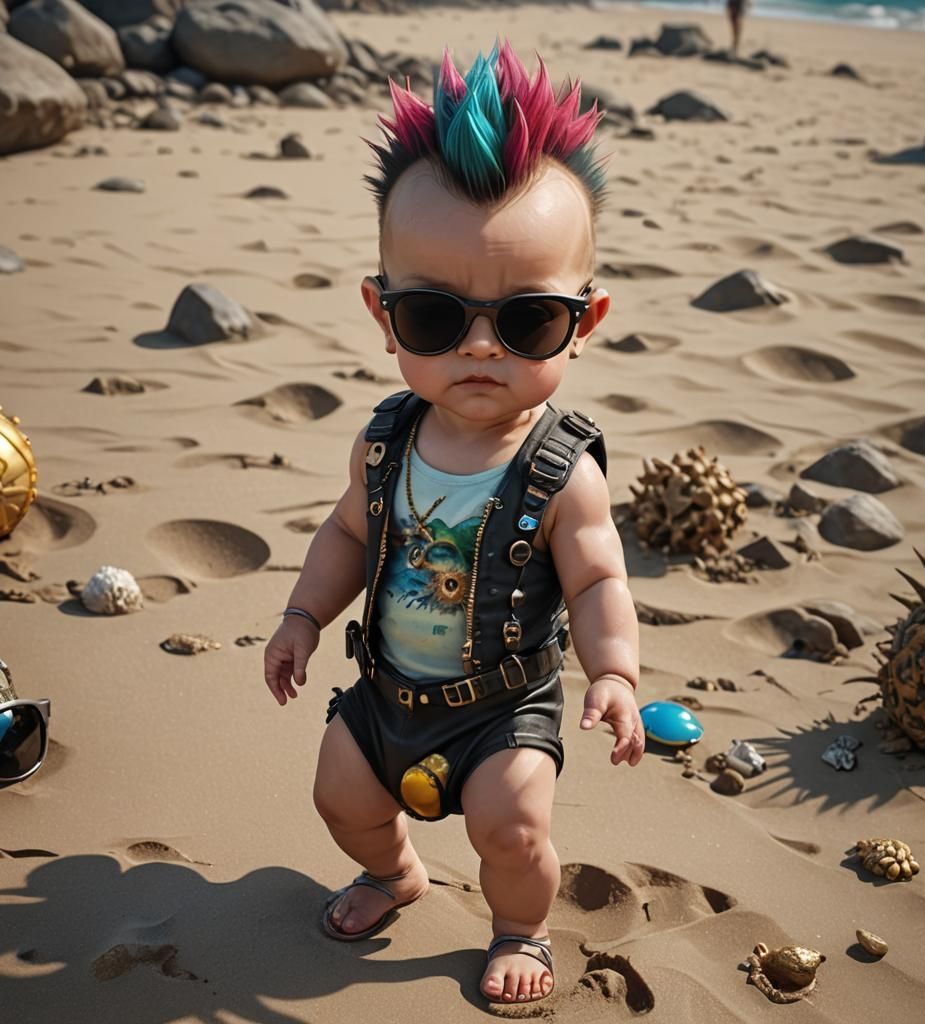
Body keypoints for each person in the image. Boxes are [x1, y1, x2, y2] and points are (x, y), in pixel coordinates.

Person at [263, 38, 644, 1007]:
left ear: (585, 321)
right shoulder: (384, 440)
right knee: (339, 794)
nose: (479, 346)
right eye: (435, 317)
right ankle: (393, 871)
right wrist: (303, 615)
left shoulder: (563, 472)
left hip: (502, 707)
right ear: (381, 313)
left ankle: (521, 928)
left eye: (527, 321)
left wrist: (614, 673)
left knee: (511, 830)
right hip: (385, 691)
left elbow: (598, 578)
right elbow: (348, 536)